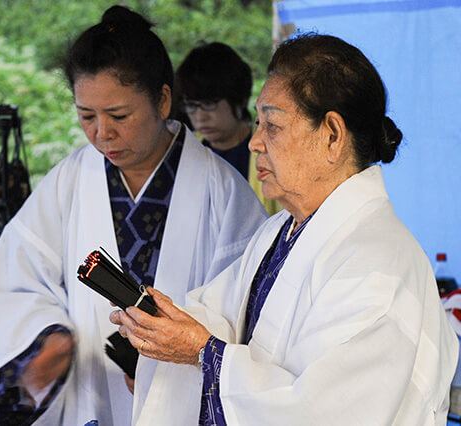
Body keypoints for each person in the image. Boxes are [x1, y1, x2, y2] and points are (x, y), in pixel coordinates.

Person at [111, 33, 458, 425]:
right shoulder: (278, 231)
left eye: (272, 125)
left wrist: (201, 351)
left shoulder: (381, 262)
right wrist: (163, 326)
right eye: (258, 123)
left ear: (331, 135)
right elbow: (219, 318)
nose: (256, 142)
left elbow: (325, 410)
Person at [0, 6, 267, 426]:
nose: (102, 133)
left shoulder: (223, 191)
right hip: (90, 388)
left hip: (182, 397)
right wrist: (45, 340)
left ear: (163, 100)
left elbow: (247, 308)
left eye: (119, 116)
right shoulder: (69, 181)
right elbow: (15, 278)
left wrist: (173, 361)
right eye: (86, 116)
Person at [175, 42, 281, 215]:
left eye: (209, 104)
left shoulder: (272, 150)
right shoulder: (184, 150)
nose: (200, 116)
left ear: (238, 99)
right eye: (191, 105)